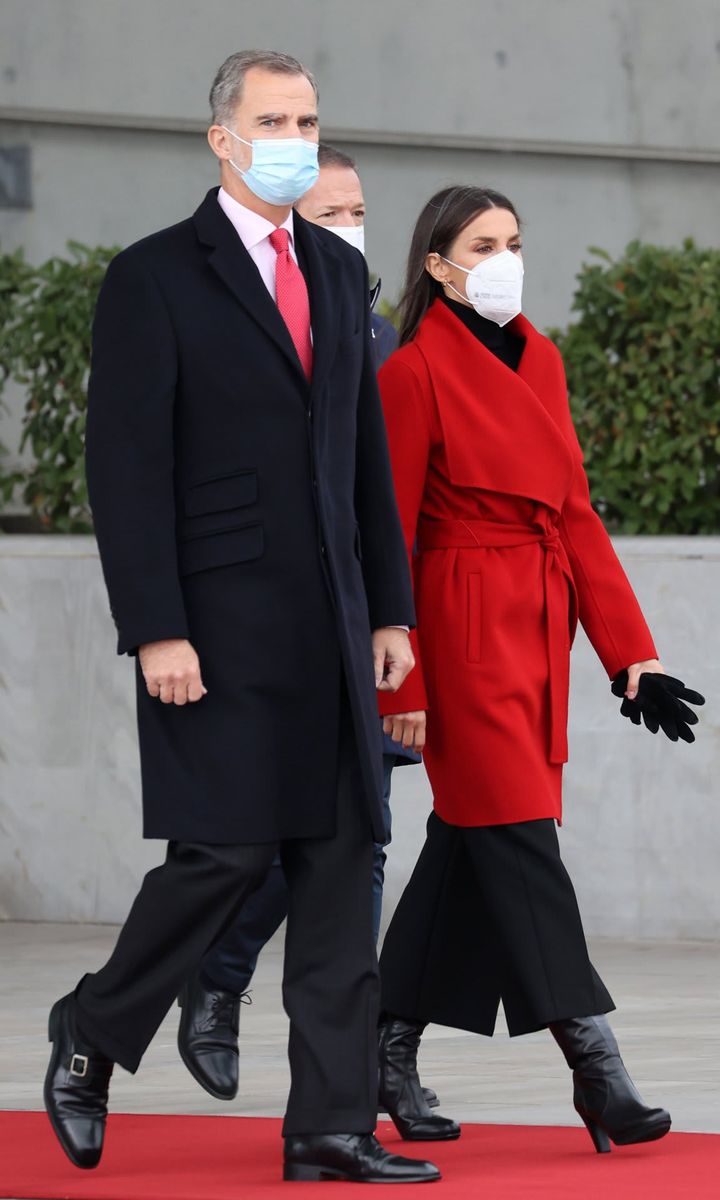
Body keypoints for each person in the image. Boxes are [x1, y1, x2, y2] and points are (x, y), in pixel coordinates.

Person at [43, 50, 440, 1186]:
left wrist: (391, 611)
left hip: (334, 622)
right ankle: (93, 1030)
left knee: (337, 863)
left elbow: (361, 457)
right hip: (212, 629)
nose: (296, 137)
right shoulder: (155, 276)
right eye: (274, 118)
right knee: (220, 855)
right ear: (222, 137)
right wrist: (155, 627)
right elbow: (123, 468)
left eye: (308, 119)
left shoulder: (331, 266)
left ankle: (328, 1126)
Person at [373, 184, 692, 1152]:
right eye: (481, 243)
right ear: (436, 263)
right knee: (519, 842)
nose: (505, 256)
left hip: (538, 630)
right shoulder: (411, 371)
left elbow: (575, 513)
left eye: (514, 240)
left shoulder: (541, 358)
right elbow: (383, 538)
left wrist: (631, 656)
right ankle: (598, 1069)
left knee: (474, 849)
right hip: (458, 633)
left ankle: (383, 1049)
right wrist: (406, 685)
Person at [177, 141, 430, 1111]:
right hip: (268, 630)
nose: (346, 234)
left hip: (364, 630)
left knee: (353, 842)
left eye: (357, 214)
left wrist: (403, 649)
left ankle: (353, 1071)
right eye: (328, 217)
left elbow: (396, 510)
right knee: (284, 839)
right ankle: (223, 977)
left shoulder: (380, 342)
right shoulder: (237, 323)